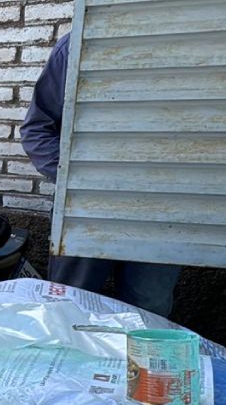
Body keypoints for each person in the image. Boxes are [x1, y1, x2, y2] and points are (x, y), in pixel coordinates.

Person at [21, 32, 182, 317]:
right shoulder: (79, 44)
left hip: (162, 212)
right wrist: (80, 179)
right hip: (86, 210)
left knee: (148, 310)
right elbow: (37, 129)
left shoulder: (190, 45)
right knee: (70, 303)